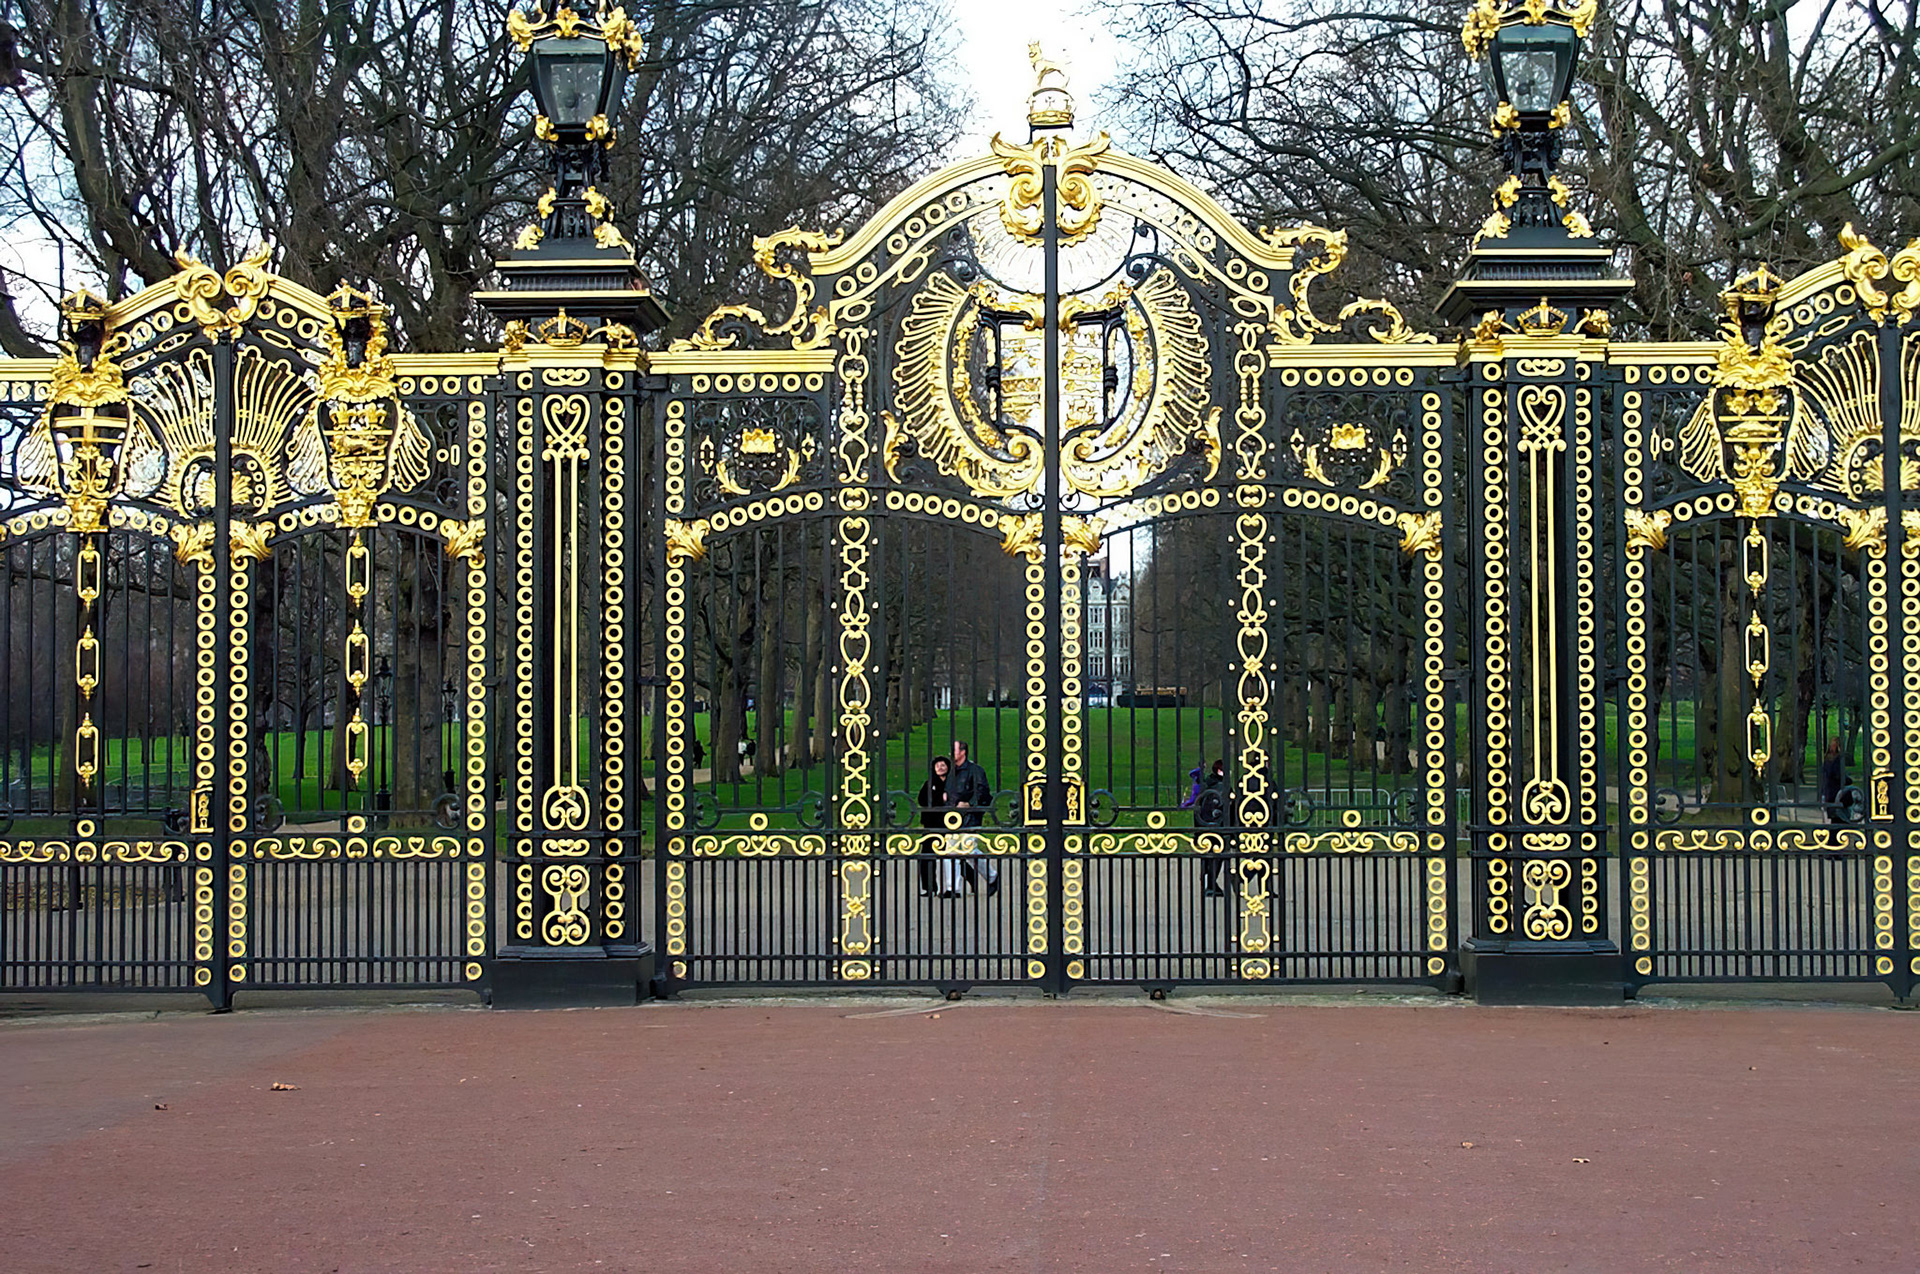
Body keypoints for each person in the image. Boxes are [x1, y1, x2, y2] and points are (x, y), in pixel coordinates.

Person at [948, 740, 999, 895]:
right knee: (951, 850)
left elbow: (982, 791)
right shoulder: (950, 771)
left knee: (970, 850)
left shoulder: (975, 770)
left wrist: (970, 804)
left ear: (963, 752)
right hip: (951, 816)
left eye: (954, 750)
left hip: (970, 816)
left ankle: (991, 876)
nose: (951, 753)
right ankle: (953, 888)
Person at [1181, 759, 1230, 896]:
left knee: (1207, 855)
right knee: (1217, 856)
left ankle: (1208, 882)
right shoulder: (1221, 786)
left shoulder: (1206, 784)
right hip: (1217, 826)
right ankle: (1211, 884)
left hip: (1203, 825)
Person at [916, 755, 953, 897]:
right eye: (938, 766)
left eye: (943, 765)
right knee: (926, 856)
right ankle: (929, 887)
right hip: (931, 824)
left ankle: (971, 880)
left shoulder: (951, 783)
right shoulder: (929, 783)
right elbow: (922, 800)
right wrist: (939, 799)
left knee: (953, 856)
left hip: (948, 824)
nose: (940, 768)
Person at [1819, 736, 1848, 824]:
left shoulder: (1827, 758)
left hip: (1829, 791)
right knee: (1839, 818)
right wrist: (1848, 780)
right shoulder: (1837, 759)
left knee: (1834, 818)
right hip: (1836, 791)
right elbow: (1838, 775)